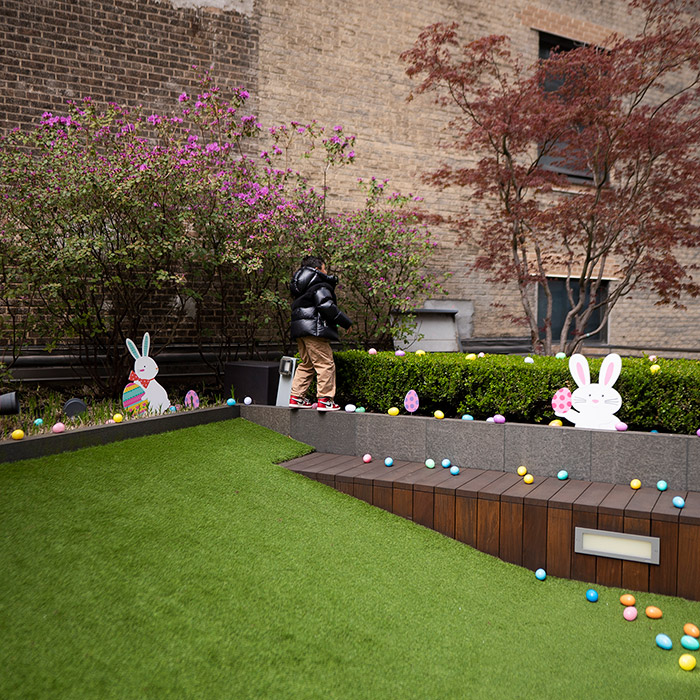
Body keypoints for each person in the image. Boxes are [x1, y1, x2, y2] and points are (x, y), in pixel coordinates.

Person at [288, 255, 352, 411]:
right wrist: (345, 322)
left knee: (307, 364)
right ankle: (325, 399)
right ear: (317, 269)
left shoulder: (301, 287)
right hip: (314, 330)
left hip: (301, 330)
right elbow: (326, 305)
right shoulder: (319, 284)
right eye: (324, 268)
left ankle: (296, 397)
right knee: (325, 363)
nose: (326, 272)